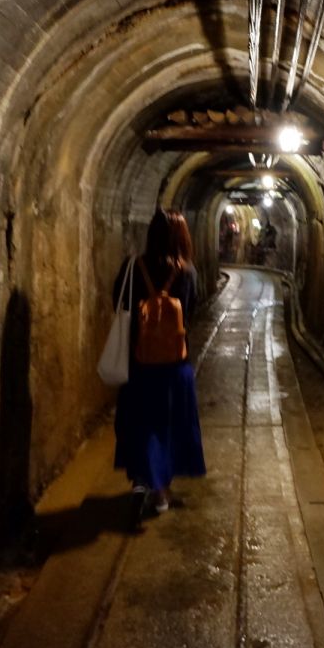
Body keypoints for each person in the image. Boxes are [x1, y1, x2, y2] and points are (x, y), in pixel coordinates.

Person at [110, 208, 206, 518]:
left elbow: (117, 302)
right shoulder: (187, 272)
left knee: (139, 422)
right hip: (174, 365)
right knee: (167, 427)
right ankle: (161, 492)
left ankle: (140, 481)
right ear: (181, 238)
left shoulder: (132, 267)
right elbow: (191, 310)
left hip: (138, 362)